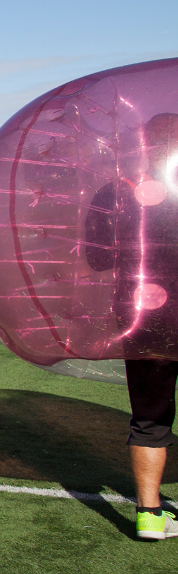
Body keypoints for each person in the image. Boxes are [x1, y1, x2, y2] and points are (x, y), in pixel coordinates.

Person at [86, 112, 178, 540]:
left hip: (143, 316)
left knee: (150, 417)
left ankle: (150, 515)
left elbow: (97, 259)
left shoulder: (115, 192)